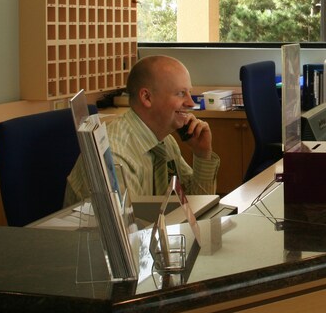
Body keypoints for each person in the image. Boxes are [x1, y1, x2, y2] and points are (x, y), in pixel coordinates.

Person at [64, 55, 220, 206]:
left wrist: (202, 155)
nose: (191, 103)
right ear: (147, 98)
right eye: (180, 93)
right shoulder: (115, 156)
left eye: (189, 93)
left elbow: (196, 208)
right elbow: (128, 228)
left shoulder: (164, 141)